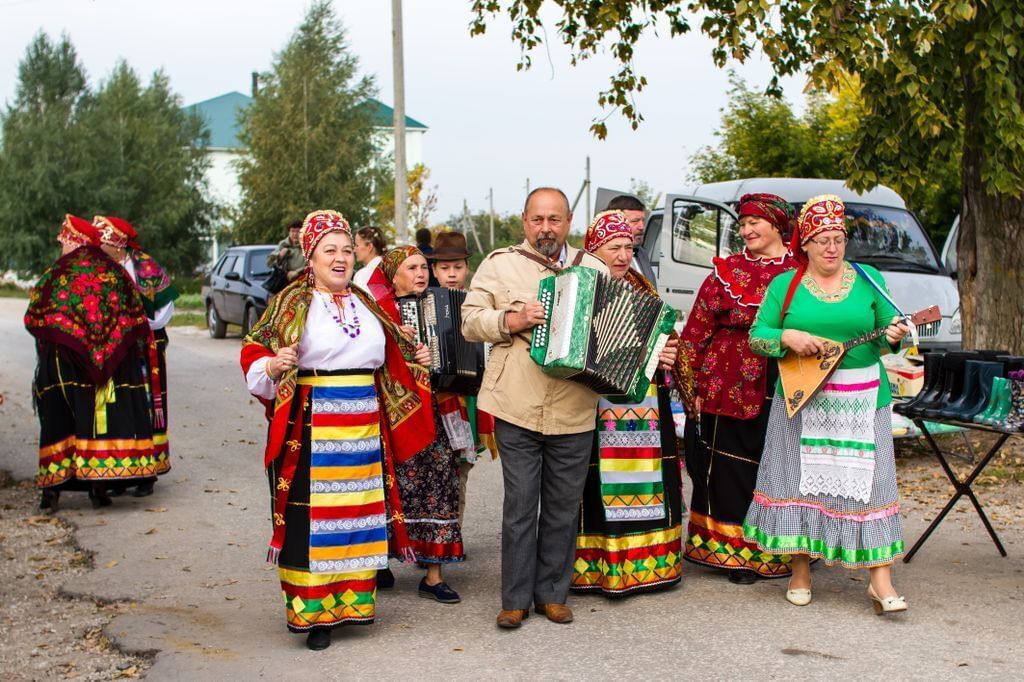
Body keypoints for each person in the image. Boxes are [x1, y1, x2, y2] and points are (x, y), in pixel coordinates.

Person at [241, 210, 437, 650]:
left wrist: (416, 359)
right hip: (313, 423)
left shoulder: (366, 301)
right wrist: (271, 365)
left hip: (365, 425)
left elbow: (392, 355)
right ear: (310, 257)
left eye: (347, 250)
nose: (341, 257)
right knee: (313, 518)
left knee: (356, 514)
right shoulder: (291, 302)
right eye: (330, 250)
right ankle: (314, 614)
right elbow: (255, 348)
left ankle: (352, 603)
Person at [744, 194, 909, 613]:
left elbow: (894, 329)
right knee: (800, 481)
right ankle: (800, 570)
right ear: (805, 244)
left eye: (838, 238)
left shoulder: (870, 279)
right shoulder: (787, 285)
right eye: (822, 240)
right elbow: (757, 336)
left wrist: (896, 335)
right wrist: (787, 337)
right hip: (803, 397)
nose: (831, 248)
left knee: (872, 486)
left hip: (864, 396)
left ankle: (881, 581)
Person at [461, 187, 608, 629]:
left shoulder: (595, 267)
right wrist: (511, 320)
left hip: (575, 406)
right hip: (516, 403)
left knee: (563, 507)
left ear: (569, 222)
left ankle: (552, 594)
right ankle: (515, 598)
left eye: (555, 219)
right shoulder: (499, 263)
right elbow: (469, 321)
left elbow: (616, 330)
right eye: (538, 219)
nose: (546, 228)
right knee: (521, 504)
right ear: (524, 221)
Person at [678, 193, 799, 583]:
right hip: (725, 378)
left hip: (784, 377)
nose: (745, 230)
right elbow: (696, 329)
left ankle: (775, 551)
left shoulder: (802, 271)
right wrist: (690, 380)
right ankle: (730, 552)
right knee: (726, 466)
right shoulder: (725, 271)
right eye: (742, 224)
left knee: (776, 463)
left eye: (754, 223)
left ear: (777, 225)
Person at [569, 211, 687, 597]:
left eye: (627, 247)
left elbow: (665, 340)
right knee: (596, 484)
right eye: (612, 247)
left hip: (644, 405)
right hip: (595, 404)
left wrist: (668, 353)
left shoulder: (642, 288)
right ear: (593, 249)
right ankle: (598, 568)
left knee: (649, 477)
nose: (622, 255)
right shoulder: (580, 289)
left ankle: (649, 566)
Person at [26, 215, 154, 511]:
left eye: (63, 238)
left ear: (74, 240)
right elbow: (135, 317)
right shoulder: (113, 273)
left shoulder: (56, 273)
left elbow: (35, 314)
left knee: (57, 421)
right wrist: (108, 351)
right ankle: (97, 486)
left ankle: (51, 491)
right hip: (107, 366)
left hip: (61, 361)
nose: (60, 243)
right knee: (95, 422)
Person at [366, 245, 466, 603]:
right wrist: (400, 347)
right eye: (412, 267)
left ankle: (433, 575)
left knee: (440, 484)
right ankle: (381, 563)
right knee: (388, 485)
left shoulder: (446, 304)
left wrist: (437, 360)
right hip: (392, 416)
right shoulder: (376, 311)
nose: (421, 273)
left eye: (424, 266)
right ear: (393, 275)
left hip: (437, 412)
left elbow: (458, 351)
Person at [94, 215, 179, 496]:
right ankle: (122, 472)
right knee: (119, 405)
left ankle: (148, 474)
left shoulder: (144, 266)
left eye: (105, 241)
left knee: (144, 406)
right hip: (114, 351)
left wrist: (140, 324)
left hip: (145, 348)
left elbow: (164, 309)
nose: (100, 245)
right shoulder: (100, 267)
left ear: (118, 244)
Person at [427, 231, 499, 524]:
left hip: (468, 396)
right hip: (435, 397)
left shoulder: (478, 303)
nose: (452, 274)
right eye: (444, 268)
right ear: (434, 270)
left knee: (461, 466)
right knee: (432, 468)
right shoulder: (423, 303)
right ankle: (430, 537)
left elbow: (490, 343)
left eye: (457, 267)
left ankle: (453, 530)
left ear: (467, 267)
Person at [606, 195, 656, 285]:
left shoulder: (642, 254)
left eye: (643, 221)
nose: (642, 227)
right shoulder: (599, 257)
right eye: (635, 221)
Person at [352, 226, 387, 290]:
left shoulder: (363, 275)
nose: (354, 250)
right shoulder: (390, 270)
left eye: (357, 245)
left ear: (369, 247)